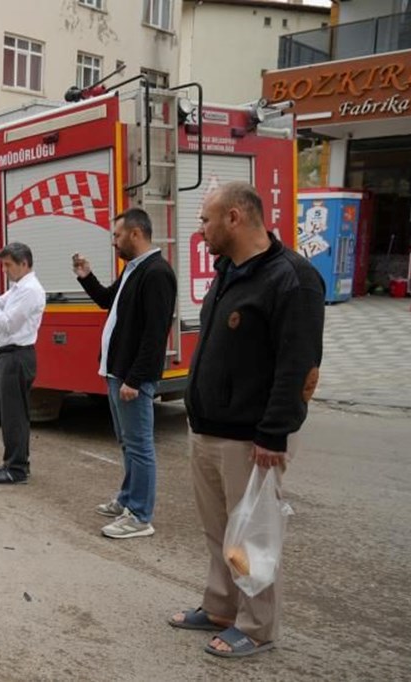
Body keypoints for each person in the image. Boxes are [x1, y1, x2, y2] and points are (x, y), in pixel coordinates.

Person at [169, 182, 324, 659]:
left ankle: (257, 627)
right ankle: (220, 607)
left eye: (205, 220)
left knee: (252, 538)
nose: (200, 232)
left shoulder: (292, 279)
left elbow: (298, 365)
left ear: (234, 218)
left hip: (253, 438)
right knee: (219, 532)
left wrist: (273, 432)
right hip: (210, 428)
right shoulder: (229, 271)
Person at [74, 208, 177, 540]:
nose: (114, 242)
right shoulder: (134, 270)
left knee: (140, 445)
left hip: (131, 376)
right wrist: (86, 276)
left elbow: (155, 333)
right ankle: (127, 500)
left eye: (117, 236)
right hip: (117, 371)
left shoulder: (157, 273)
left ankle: (140, 516)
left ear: (135, 234)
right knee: (127, 442)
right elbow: (107, 301)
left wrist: (135, 379)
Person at [0, 243, 46, 484]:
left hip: (16, 356)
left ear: (24, 263)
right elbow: (1, 304)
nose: (5, 269)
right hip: (12, 355)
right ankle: (13, 462)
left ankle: (16, 469)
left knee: (14, 415)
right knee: (13, 414)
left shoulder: (30, 291)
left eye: (8, 265)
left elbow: (6, 323)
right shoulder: (19, 288)